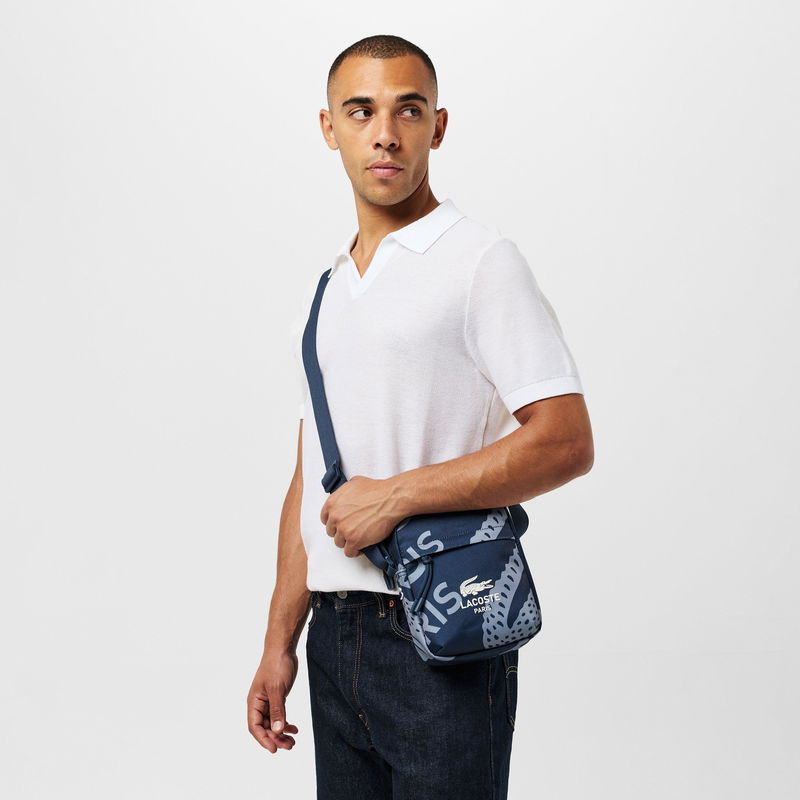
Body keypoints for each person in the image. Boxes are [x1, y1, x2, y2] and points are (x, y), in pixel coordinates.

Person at [247, 34, 594, 799]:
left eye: (408, 111)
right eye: (360, 111)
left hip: (442, 624)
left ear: (437, 126)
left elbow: (565, 441)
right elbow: (309, 479)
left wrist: (397, 497)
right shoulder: (327, 290)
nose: (385, 133)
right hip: (335, 637)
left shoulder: (479, 261)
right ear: (329, 127)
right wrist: (279, 642)